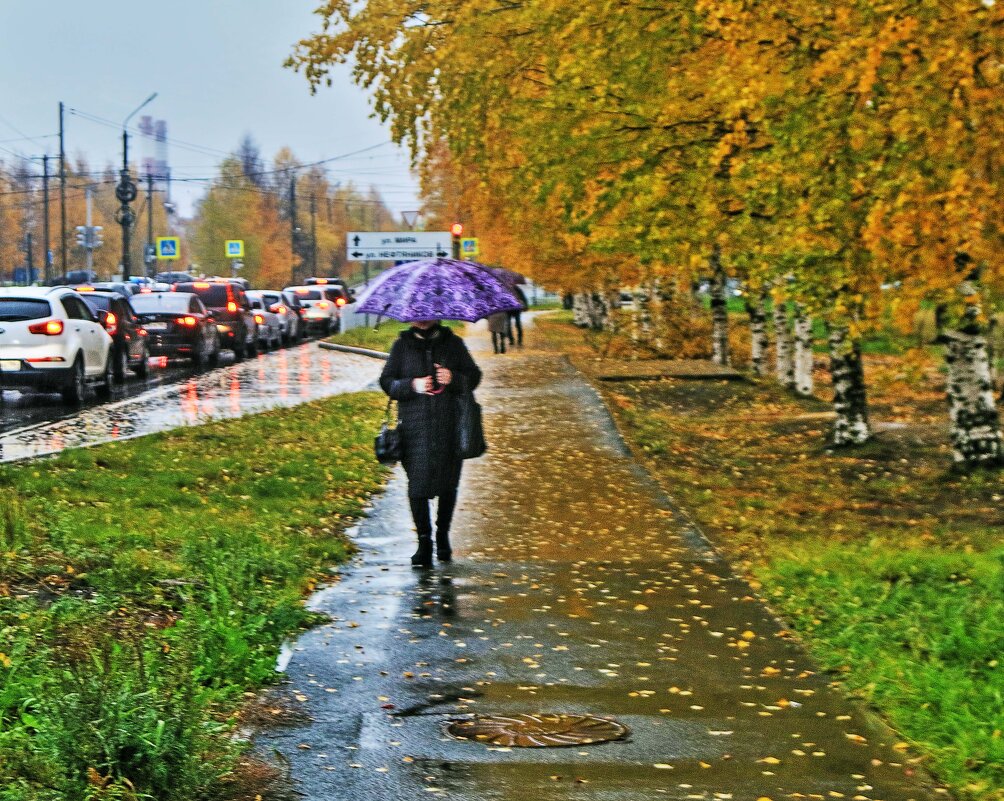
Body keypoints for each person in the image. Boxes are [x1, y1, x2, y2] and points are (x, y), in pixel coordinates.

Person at [380, 320, 482, 567]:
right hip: (414, 428)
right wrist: (411, 385)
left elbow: (474, 376)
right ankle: (424, 541)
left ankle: (443, 535)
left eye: (427, 313)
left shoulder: (453, 344)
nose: (422, 319)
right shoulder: (401, 346)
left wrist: (453, 378)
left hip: (450, 427)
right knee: (417, 486)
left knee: (448, 484)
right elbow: (387, 382)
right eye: (416, 314)